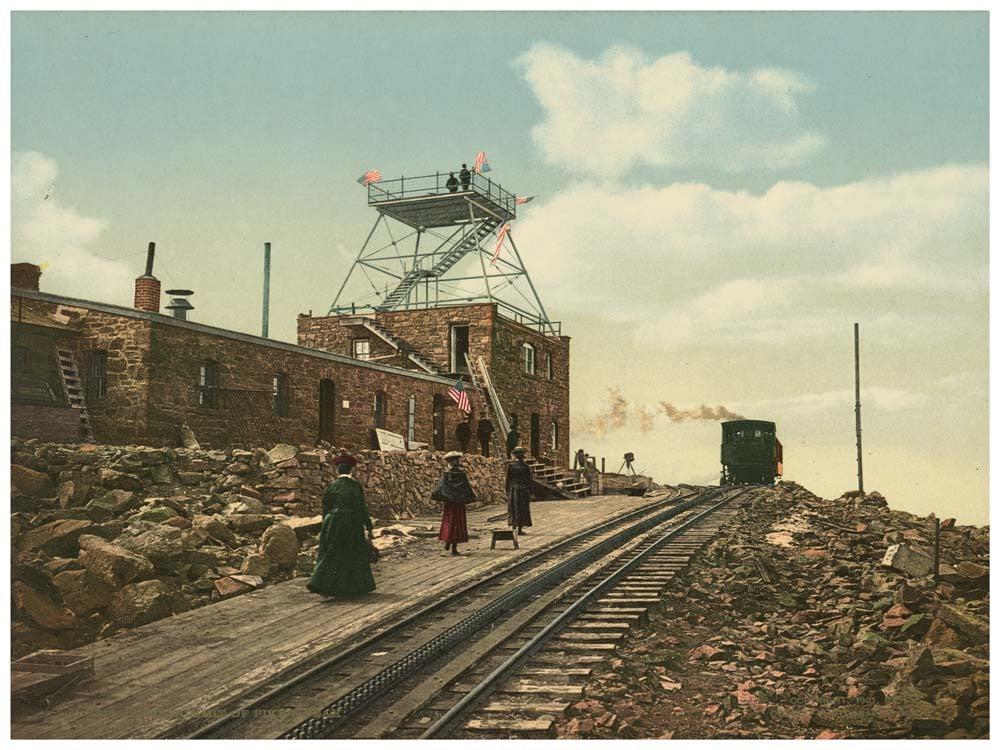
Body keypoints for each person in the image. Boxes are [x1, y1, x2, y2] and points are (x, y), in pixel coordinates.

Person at [307, 453, 376, 597]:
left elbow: (325, 508)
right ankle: (353, 587)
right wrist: (369, 527)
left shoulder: (332, 487)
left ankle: (322, 584)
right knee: (353, 552)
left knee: (331, 552)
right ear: (351, 470)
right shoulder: (355, 487)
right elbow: (361, 508)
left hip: (332, 521)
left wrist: (325, 524)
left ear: (337, 470)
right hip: (351, 521)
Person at [432, 451, 476, 555]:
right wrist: (470, 498)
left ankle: (448, 540)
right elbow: (467, 488)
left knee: (449, 523)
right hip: (459, 504)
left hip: (449, 504)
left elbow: (439, 488)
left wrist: (439, 497)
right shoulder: (461, 474)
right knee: (458, 525)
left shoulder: (446, 474)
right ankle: (453, 547)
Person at [506, 446, 534, 535]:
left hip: (513, 490)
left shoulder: (511, 466)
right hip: (523, 489)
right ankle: (519, 529)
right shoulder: (526, 466)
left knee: (514, 508)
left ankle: (514, 527)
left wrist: (507, 490)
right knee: (522, 509)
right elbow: (529, 480)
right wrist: (531, 491)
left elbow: (508, 479)